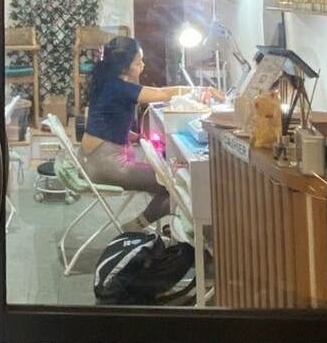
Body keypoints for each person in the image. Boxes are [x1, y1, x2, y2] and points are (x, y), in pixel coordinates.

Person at [79, 36, 221, 231]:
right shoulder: (121, 88)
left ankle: (142, 224)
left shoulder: (105, 83)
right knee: (175, 185)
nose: (142, 66)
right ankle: (136, 226)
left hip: (89, 159)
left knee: (166, 175)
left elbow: (105, 120)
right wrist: (203, 89)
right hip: (106, 166)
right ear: (123, 67)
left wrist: (134, 136)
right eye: (138, 63)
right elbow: (161, 94)